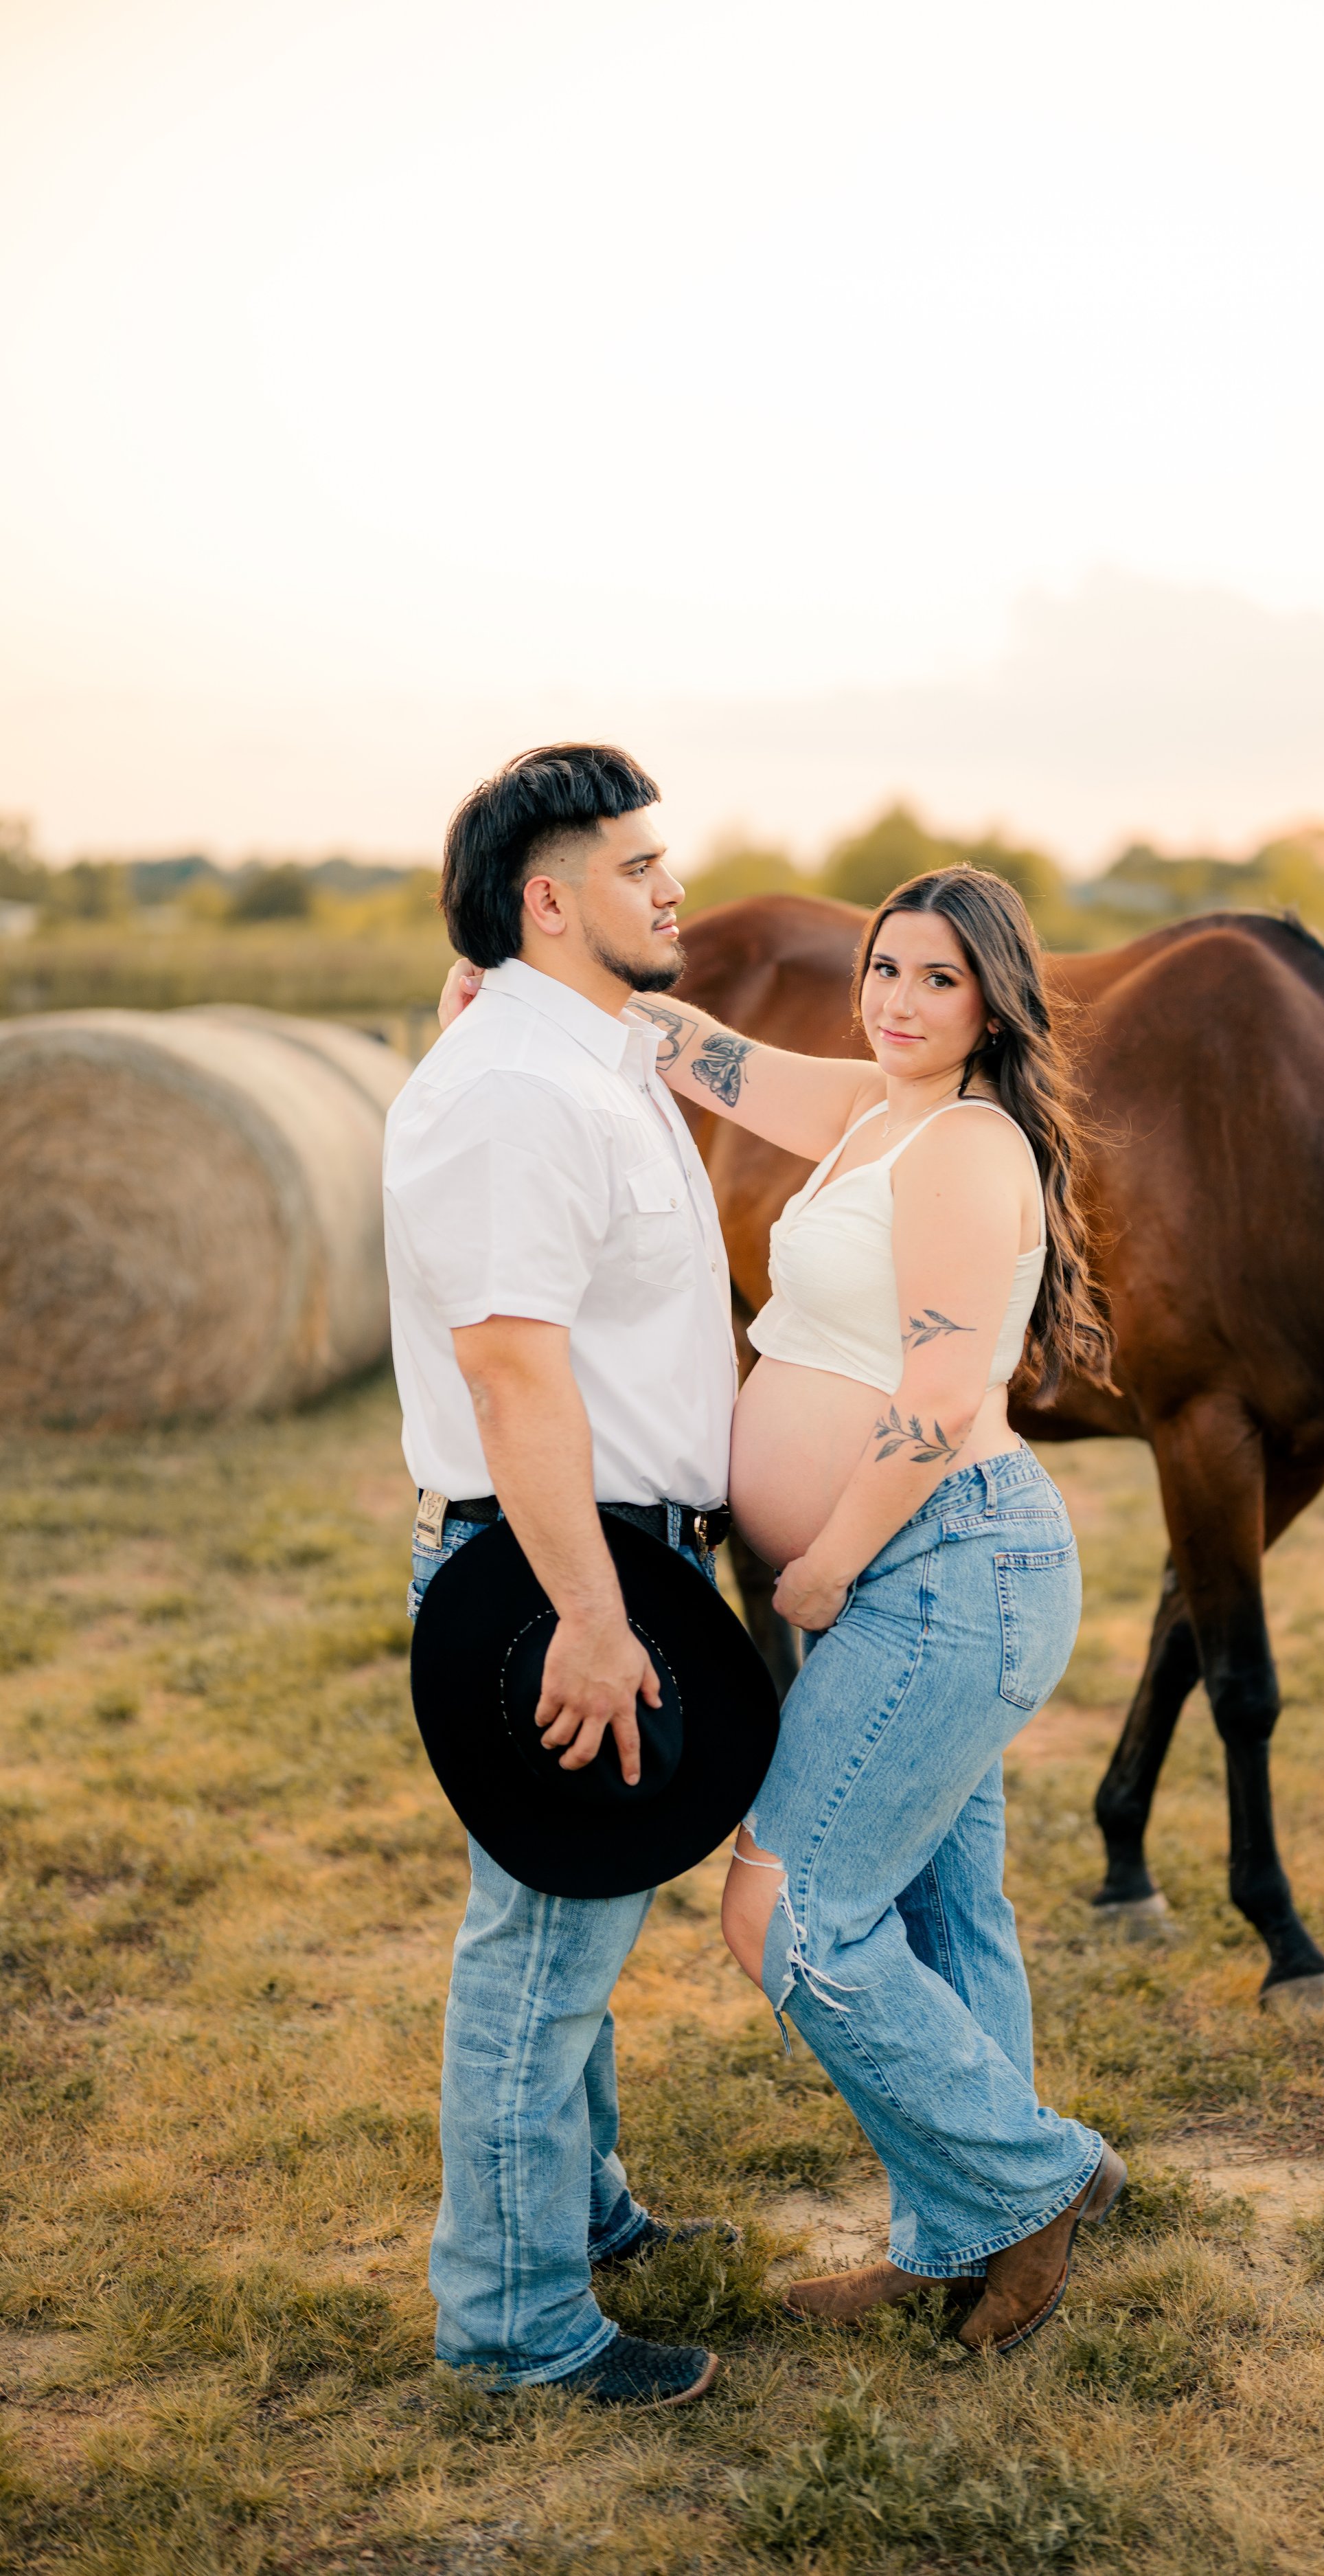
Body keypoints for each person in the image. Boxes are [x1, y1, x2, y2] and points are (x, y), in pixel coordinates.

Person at [625, 864, 1126, 2351]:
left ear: (992, 1003)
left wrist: (828, 1560)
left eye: (937, 980)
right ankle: (958, 2233)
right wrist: (537, 994)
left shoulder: (967, 1149)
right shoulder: (867, 1107)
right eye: (884, 969)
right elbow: (696, 1051)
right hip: (925, 1572)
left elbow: (936, 1390)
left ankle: (1032, 2180)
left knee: (782, 1905)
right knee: (940, 1909)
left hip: (938, 1566)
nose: (900, 1001)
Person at [385, 742, 743, 2410]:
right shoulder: (520, 1089)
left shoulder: (579, 1051)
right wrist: (590, 1621)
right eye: (636, 866)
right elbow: (512, 1372)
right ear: (549, 900)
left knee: (576, 1927)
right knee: (537, 1953)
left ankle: (579, 2216)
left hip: (606, 1559)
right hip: (553, 1574)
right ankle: (515, 2322)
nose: (672, 886)